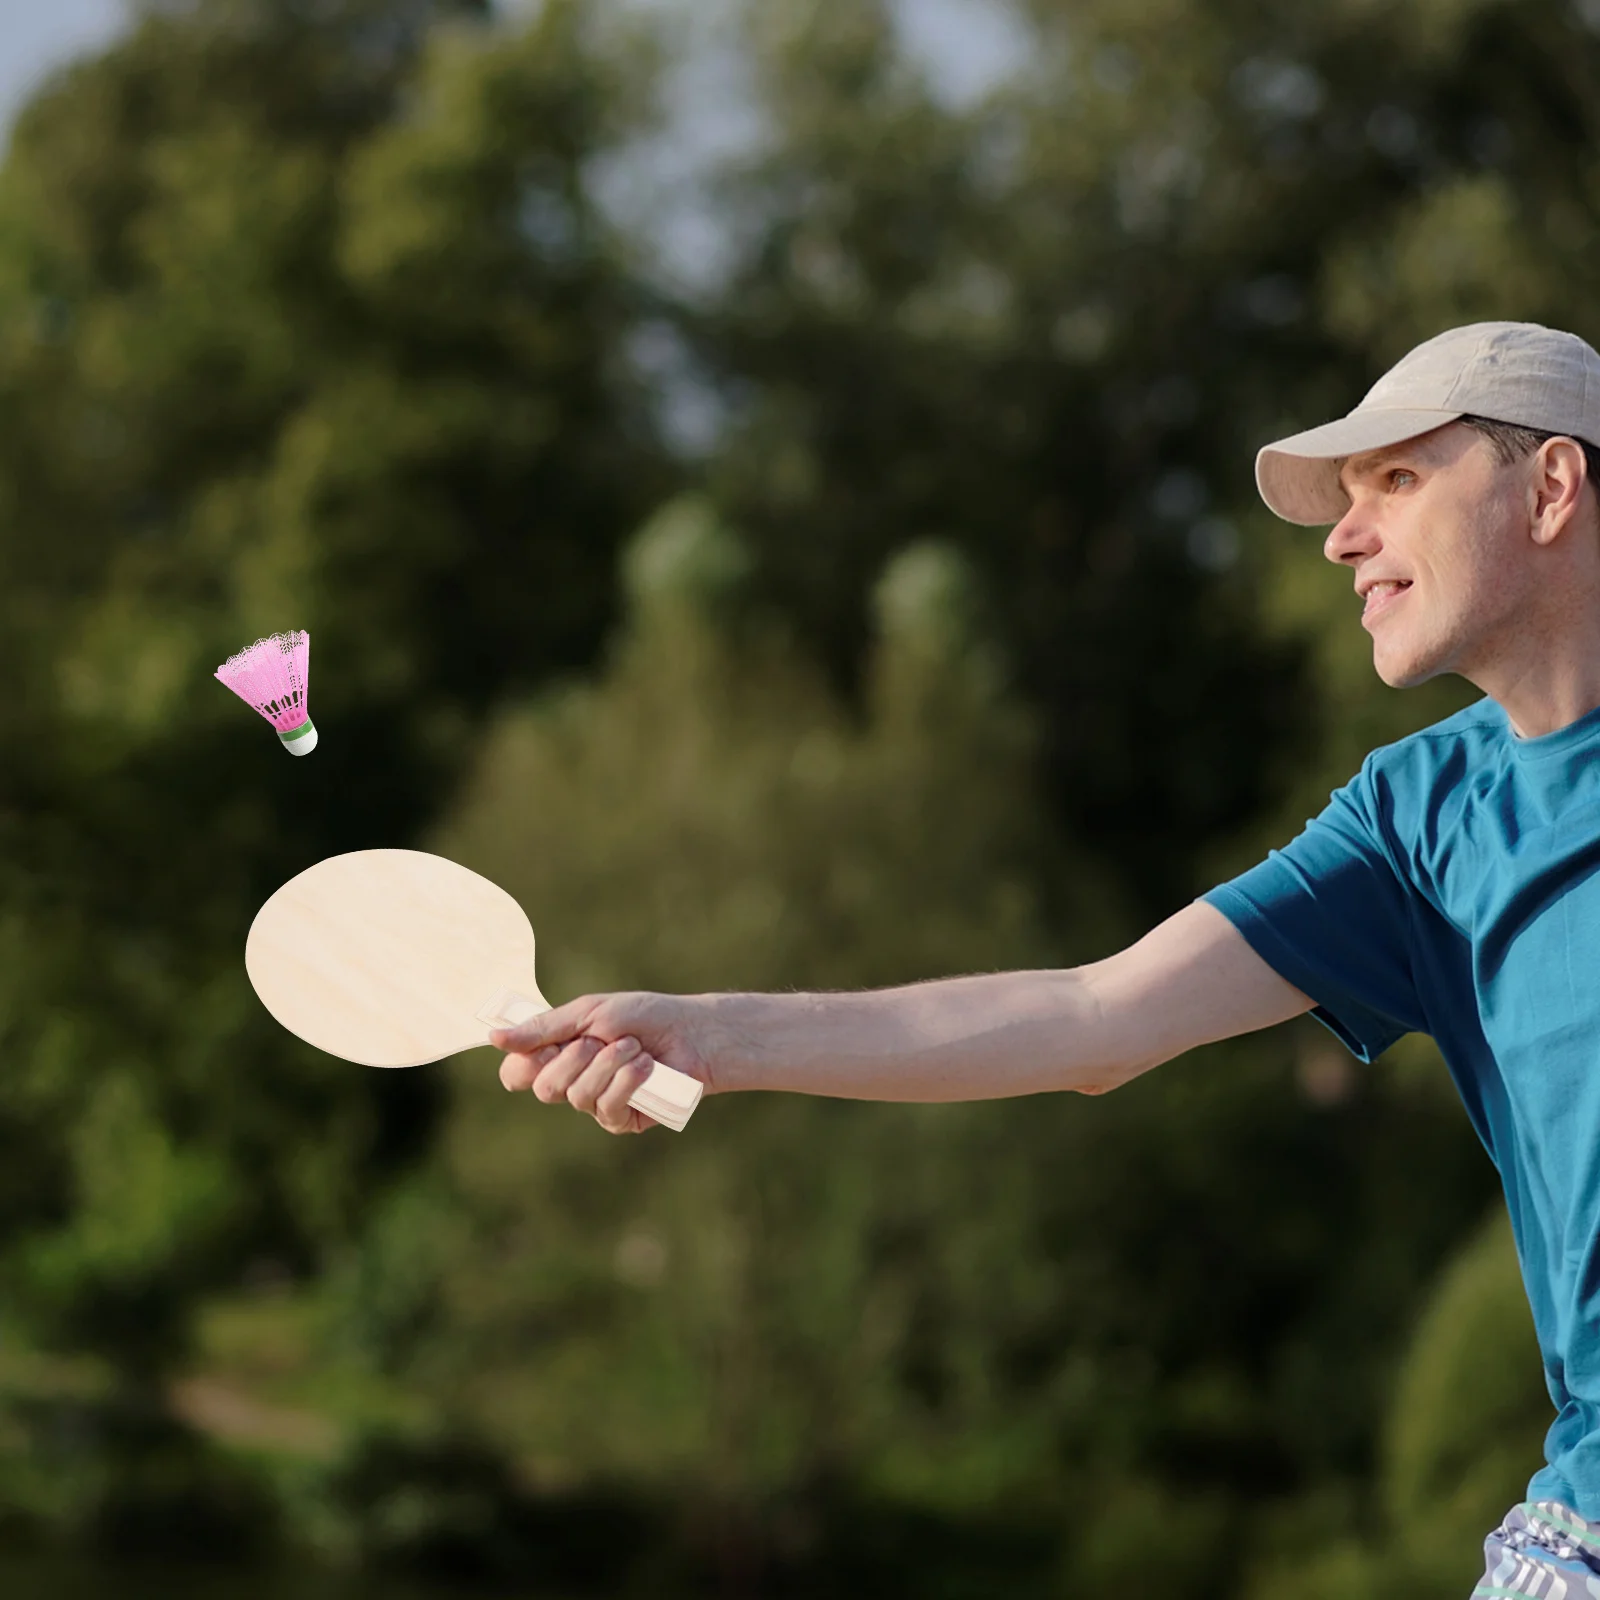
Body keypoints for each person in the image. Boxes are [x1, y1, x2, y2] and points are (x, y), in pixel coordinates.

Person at [492, 321, 1600, 1597]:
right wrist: (708, 1034)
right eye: (1345, 503)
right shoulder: (1421, 816)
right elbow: (1093, 1015)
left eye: (1396, 482)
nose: (1345, 540)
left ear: (1552, 486)